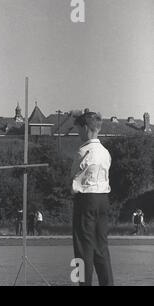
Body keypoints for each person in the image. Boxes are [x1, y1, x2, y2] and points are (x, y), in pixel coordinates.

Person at [70, 110, 113, 286]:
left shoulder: (83, 152)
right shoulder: (105, 152)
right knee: (101, 248)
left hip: (85, 200)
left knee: (82, 249)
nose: (78, 133)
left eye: (79, 129)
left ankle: (81, 284)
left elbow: (73, 176)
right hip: (103, 200)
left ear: (86, 128)